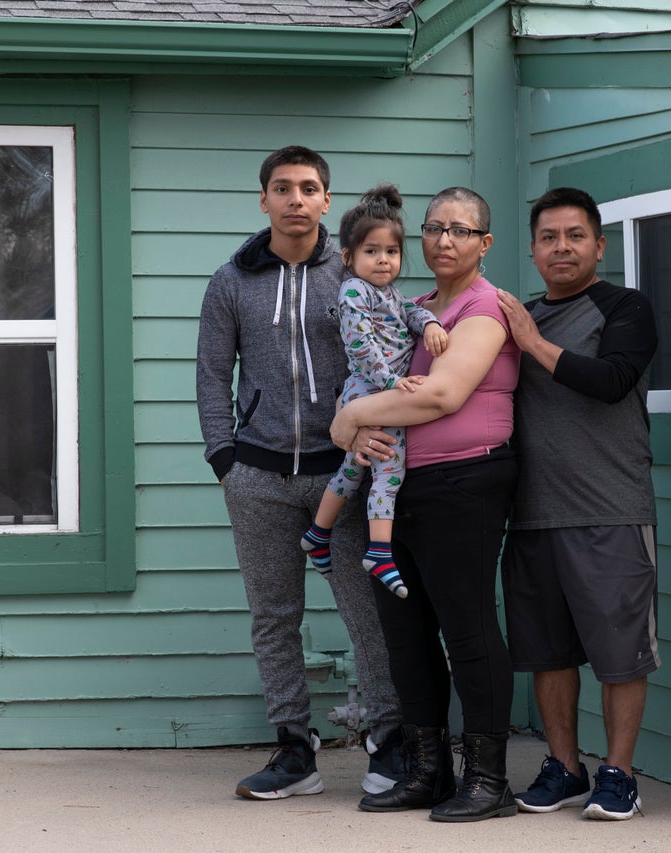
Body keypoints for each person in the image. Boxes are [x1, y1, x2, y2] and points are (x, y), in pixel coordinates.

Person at [196, 146, 404, 801]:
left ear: (325, 201)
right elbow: (210, 374)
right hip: (256, 476)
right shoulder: (231, 280)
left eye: (308, 187)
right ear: (264, 200)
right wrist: (223, 459)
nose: (294, 198)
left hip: (340, 474)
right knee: (273, 616)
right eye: (282, 187)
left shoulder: (350, 276)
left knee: (364, 609)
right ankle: (294, 747)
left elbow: (385, 353)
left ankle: (389, 740)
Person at [330, 186, 521, 823]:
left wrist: (351, 418)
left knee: (466, 629)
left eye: (461, 230)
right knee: (406, 638)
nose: (444, 240)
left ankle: (488, 779)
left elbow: (440, 396)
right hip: (399, 487)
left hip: (465, 484)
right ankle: (427, 770)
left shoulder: (483, 309)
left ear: (483, 244)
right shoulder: (408, 308)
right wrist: (347, 428)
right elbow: (360, 394)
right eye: (435, 228)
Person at [496, 186, 659, 821]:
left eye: (574, 236)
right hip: (533, 512)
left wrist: (533, 343)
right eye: (548, 238)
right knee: (548, 652)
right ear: (534, 249)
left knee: (621, 654)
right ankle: (564, 768)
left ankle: (619, 773)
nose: (561, 247)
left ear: (599, 244)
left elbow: (612, 381)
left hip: (610, 508)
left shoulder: (625, 307)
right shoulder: (518, 318)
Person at [300, 184, 448, 600]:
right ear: (348, 258)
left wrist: (431, 324)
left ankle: (318, 533)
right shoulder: (353, 292)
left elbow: (413, 310)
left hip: (377, 394)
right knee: (389, 471)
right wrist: (390, 383)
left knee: (353, 470)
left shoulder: (390, 295)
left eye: (391, 252)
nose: (383, 260)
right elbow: (359, 343)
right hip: (371, 392)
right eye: (371, 251)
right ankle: (379, 552)